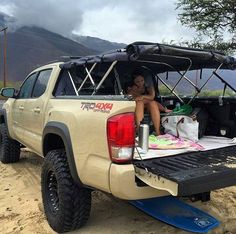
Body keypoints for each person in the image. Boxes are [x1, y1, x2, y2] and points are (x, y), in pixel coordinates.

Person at [127, 69, 171, 136]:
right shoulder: (131, 89)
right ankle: (139, 129)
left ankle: (157, 131)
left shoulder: (149, 87)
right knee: (140, 102)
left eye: (142, 80)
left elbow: (152, 96)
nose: (140, 83)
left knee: (152, 103)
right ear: (134, 82)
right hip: (137, 107)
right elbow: (131, 99)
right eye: (137, 81)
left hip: (148, 106)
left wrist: (142, 96)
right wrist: (141, 97)